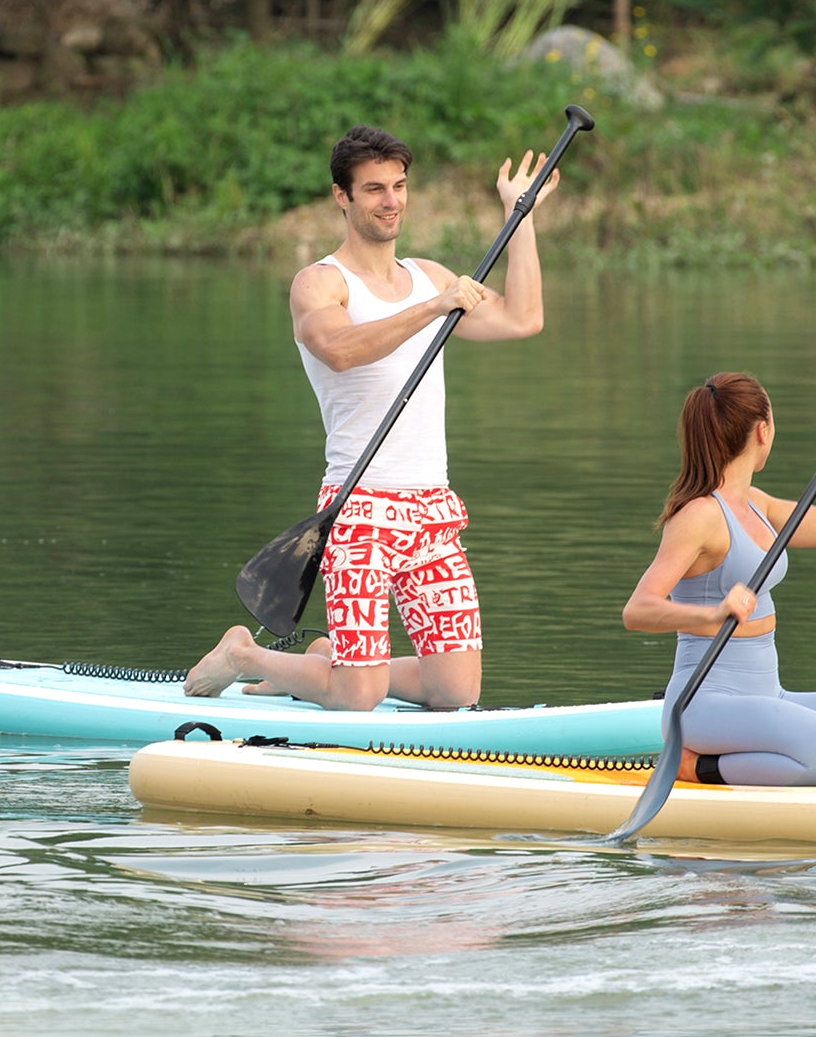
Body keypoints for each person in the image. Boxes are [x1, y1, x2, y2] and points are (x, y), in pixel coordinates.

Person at [186, 123, 556, 711]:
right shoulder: (320, 283)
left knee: (455, 692)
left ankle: (320, 665)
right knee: (360, 698)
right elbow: (340, 349)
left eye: (400, 186)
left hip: (433, 508)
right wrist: (435, 308)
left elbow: (523, 319)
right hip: (359, 511)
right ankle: (247, 655)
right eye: (375, 189)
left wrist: (522, 215)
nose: (391, 202)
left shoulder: (430, 275)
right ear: (343, 197)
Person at [622, 371, 816, 786]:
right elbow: (638, 610)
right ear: (762, 431)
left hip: (770, 696)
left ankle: (799, 764)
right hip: (703, 704)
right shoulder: (700, 516)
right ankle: (696, 767)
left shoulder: (756, 504)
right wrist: (712, 615)